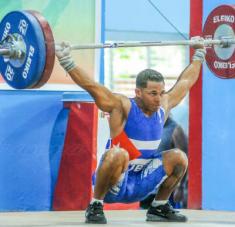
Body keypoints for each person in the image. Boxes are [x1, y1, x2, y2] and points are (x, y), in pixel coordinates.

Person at [56, 37, 206, 224]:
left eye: (160, 93)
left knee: (179, 157)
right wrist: (66, 60)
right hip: (115, 182)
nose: (158, 99)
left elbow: (185, 82)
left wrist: (200, 52)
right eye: (153, 94)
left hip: (142, 181)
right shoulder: (122, 106)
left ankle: (158, 207)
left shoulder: (163, 107)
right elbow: (92, 87)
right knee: (117, 154)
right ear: (138, 93)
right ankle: (95, 205)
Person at [139, 115, 188, 209]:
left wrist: (180, 187)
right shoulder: (150, 127)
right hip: (146, 191)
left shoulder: (175, 129)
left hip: (166, 193)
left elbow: (184, 160)